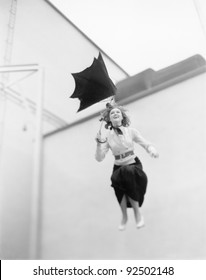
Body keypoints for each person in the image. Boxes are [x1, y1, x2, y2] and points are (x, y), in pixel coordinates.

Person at [95, 103, 159, 231]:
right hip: (118, 166)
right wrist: (98, 144)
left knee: (127, 172)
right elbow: (99, 158)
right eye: (112, 113)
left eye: (118, 112)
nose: (115, 114)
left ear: (122, 116)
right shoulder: (107, 137)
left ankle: (137, 212)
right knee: (116, 181)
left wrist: (151, 150)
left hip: (133, 164)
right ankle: (124, 216)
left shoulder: (131, 131)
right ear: (109, 118)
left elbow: (145, 143)